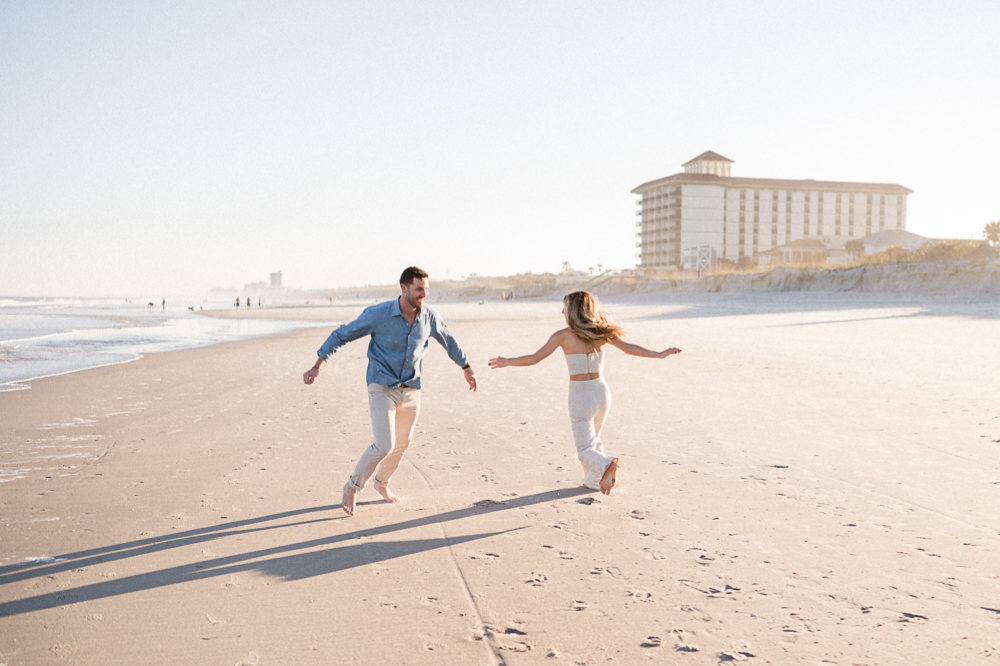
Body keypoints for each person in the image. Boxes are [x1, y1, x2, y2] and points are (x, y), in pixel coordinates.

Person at [303, 266, 477, 516]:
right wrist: (318, 365)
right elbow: (342, 334)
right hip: (381, 385)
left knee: (402, 444)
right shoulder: (379, 314)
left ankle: (381, 483)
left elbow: (449, 341)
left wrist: (466, 367)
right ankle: (353, 486)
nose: (423, 295)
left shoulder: (429, 316)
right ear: (404, 288)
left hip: (412, 388)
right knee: (384, 444)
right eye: (418, 290)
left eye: (426, 290)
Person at [489, 291, 680, 495]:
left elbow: (535, 358)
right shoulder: (601, 332)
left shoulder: (563, 335)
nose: (562, 311)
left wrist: (507, 361)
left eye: (565, 307)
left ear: (573, 311)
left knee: (584, 450)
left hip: (580, 395)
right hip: (601, 392)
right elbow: (628, 348)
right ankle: (592, 481)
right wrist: (659, 354)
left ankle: (607, 463)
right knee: (594, 439)